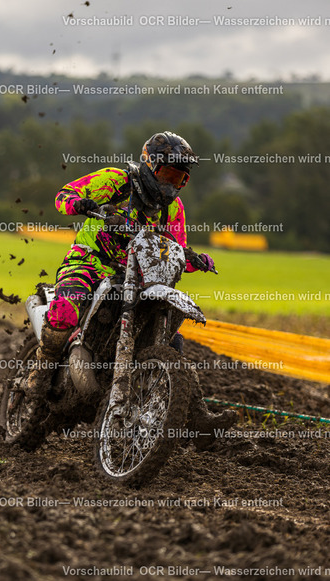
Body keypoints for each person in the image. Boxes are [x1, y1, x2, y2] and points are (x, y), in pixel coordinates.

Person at [30, 132, 237, 446]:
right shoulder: (119, 181)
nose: (171, 184)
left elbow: (174, 248)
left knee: (170, 338)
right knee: (66, 309)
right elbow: (65, 195)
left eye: (179, 178)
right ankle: (40, 371)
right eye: (167, 174)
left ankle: (196, 414)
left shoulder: (173, 209)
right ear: (150, 165)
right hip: (91, 260)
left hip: (137, 276)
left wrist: (193, 258)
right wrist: (80, 203)